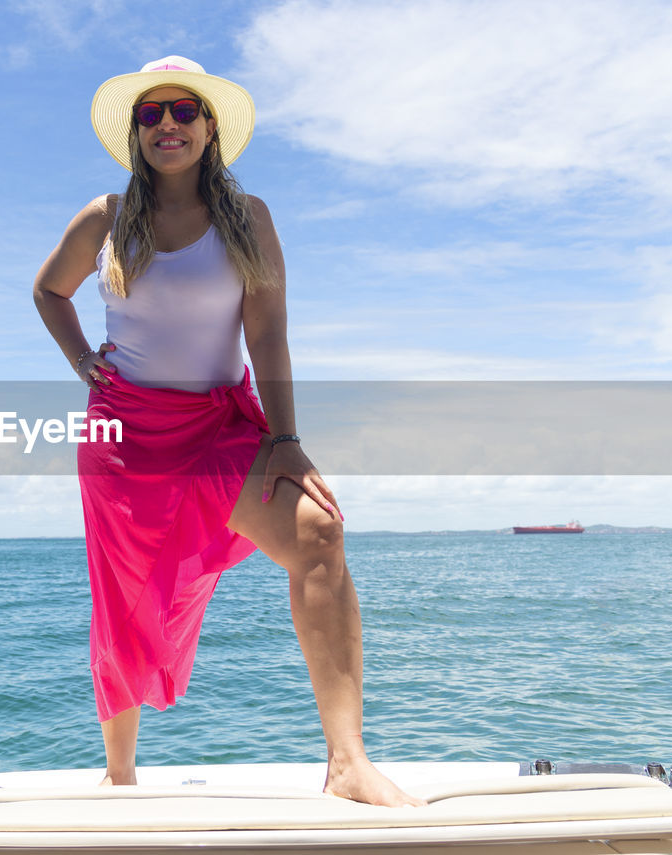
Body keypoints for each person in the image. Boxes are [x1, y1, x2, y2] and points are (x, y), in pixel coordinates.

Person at [33, 56, 423, 808]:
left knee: (319, 530)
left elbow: (268, 331)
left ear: (211, 128)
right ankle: (120, 778)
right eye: (151, 115)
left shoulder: (249, 219)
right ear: (136, 132)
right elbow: (50, 289)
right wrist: (82, 357)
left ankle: (348, 762)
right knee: (123, 595)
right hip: (125, 439)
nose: (167, 125)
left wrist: (286, 437)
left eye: (184, 111)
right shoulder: (105, 218)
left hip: (218, 426)